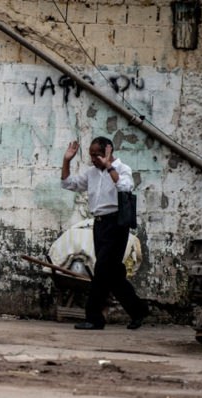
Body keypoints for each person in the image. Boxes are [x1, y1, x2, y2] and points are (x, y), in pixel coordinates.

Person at [60, 137, 149, 330]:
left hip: (117, 224)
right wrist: (67, 160)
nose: (93, 158)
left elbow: (125, 187)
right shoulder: (92, 173)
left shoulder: (122, 168)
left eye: (97, 154)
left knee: (101, 270)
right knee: (113, 274)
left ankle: (94, 318)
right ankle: (139, 310)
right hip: (99, 225)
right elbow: (68, 184)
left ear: (108, 151)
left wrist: (109, 167)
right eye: (91, 155)